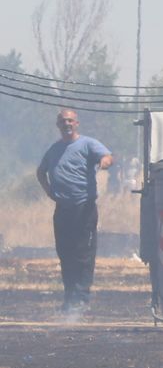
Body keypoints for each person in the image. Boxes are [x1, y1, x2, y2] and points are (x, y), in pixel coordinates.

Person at [36, 108, 113, 315]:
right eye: (63, 121)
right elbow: (41, 172)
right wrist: (49, 191)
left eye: (70, 120)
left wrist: (104, 162)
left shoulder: (87, 144)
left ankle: (81, 299)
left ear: (76, 123)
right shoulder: (54, 149)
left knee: (83, 254)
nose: (67, 124)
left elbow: (107, 156)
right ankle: (69, 297)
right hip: (63, 209)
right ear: (58, 125)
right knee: (65, 253)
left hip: (84, 207)